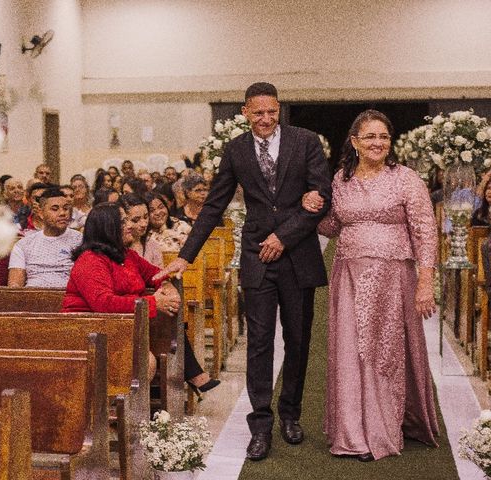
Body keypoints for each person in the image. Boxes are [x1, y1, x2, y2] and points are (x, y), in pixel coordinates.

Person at [156, 82, 331, 461]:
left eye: (272, 112)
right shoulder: (235, 149)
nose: (266, 119)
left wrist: (283, 237)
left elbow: (321, 198)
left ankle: (291, 413)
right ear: (245, 112)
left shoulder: (305, 141)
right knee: (260, 342)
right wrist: (185, 257)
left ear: (279, 110)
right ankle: (261, 425)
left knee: (299, 340)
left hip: (297, 254)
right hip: (257, 256)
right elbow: (214, 204)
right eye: (258, 113)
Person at [303, 109, 439, 462]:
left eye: (383, 137)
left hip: (393, 277)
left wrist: (425, 281)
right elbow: (332, 226)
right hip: (348, 274)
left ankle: (383, 429)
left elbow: (425, 231)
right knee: (350, 351)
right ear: (355, 142)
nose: (378, 143)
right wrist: (310, 206)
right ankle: (352, 434)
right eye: (370, 137)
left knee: (383, 352)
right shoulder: (340, 180)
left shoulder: (407, 179)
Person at [62, 203, 220, 394]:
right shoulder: (90, 260)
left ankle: (188, 376)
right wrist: (153, 303)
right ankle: (121, 416)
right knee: (147, 360)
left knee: (160, 328)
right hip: (91, 333)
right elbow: (104, 303)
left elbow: (154, 273)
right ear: (107, 227)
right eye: (123, 221)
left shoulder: (126, 256)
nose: (130, 225)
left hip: (122, 328)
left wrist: (165, 285)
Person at [8, 189, 82, 288]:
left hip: (68, 298)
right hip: (32, 298)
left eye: (66, 208)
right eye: (55, 209)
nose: (62, 213)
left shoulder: (81, 241)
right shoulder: (24, 245)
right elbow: (15, 286)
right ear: (41, 214)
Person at [121, 193, 163, 267]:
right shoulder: (115, 247)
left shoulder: (152, 246)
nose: (144, 224)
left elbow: (160, 276)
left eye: (146, 217)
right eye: (136, 220)